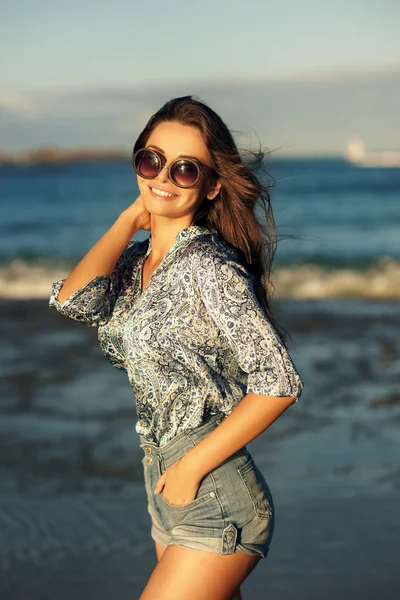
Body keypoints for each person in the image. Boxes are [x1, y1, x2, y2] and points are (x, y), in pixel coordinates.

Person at [49, 95, 304, 600]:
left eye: (185, 169)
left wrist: (188, 468)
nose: (164, 177)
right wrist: (127, 220)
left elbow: (279, 384)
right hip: (163, 484)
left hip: (212, 493)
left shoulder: (209, 266)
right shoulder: (137, 264)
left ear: (212, 184)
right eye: (152, 160)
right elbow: (73, 302)